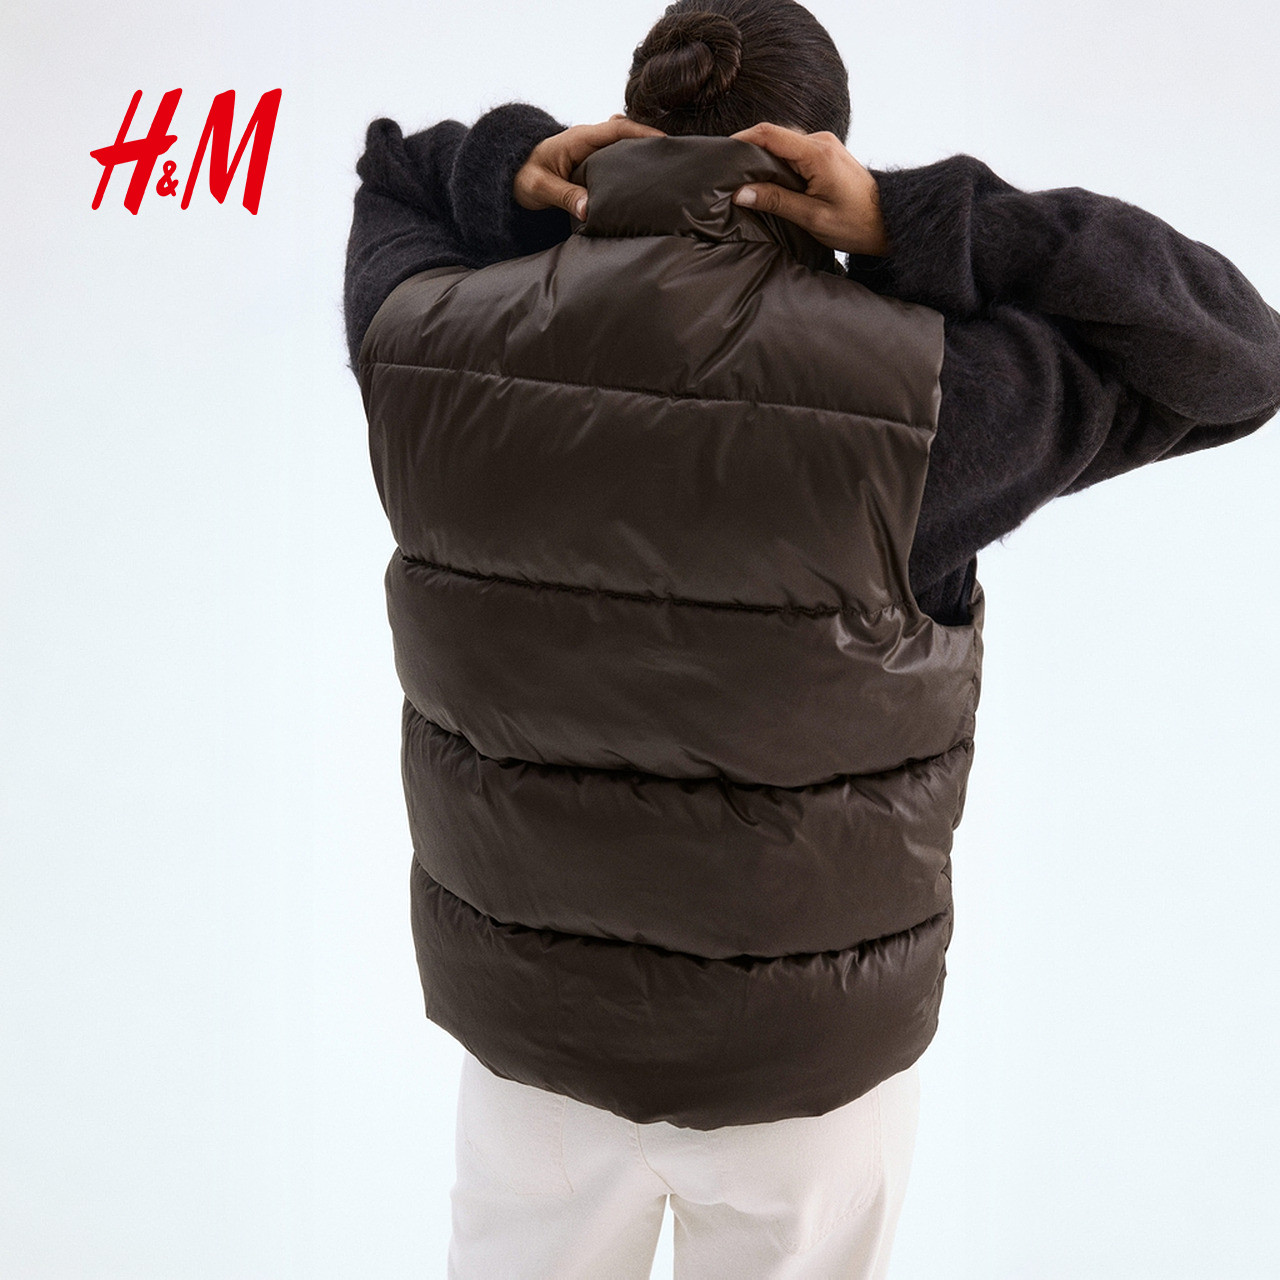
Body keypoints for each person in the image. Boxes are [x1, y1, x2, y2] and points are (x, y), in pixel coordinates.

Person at [343, 2, 1280, 1275]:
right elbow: (1235, 356)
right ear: (817, 152)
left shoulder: (427, 351)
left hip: (533, 1066)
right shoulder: (933, 402)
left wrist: (509, 172)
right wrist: (919, 217)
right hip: (807, 1086)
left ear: (623, 129)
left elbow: (394, 173)